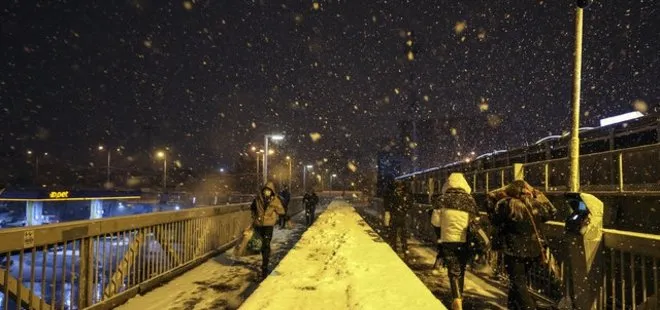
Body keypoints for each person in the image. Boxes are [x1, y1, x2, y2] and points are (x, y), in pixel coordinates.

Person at [491, 180, 556, 310]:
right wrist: (541, 196)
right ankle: (513, 306)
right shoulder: (535, 205)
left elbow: (494, 220)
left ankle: (529, 307)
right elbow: (551, 213)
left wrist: (492, 197)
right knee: (518, 281)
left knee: (517, 282)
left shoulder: (506, 205)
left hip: (513, 250)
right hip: (533, 251)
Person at [433, 173, 478, 310]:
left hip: (447, 239)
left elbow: (435, 221)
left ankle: (456, 297)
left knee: (453, 270)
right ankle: (460, 295)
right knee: (461, 268)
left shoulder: (441, 200)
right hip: (465, 240)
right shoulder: (470, 200)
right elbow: (475, 221)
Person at [250, 181, 286, 279]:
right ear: (263, 191)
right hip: (259, 225)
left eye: (269, 191)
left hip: (268, 226)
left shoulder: (275, 200)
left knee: (266, 244)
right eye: (266, 190)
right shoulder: (258, 199)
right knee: (260, 245)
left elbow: (281, 211)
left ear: (272, 191)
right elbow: (252, 209)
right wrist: (255, 217)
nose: (267, 192)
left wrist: (278, 213)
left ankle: (264, 267)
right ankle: (264, 261)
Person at [384, 180, 412, 255]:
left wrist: (392, 210)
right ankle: (404, 249)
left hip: (395, 216)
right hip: (402, 217)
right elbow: (410, 204)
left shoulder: (392, 194)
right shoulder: (405, 195)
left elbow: (388, 204)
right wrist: (404, 209)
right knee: (403, 235)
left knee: (394, 234)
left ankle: (394, 249)